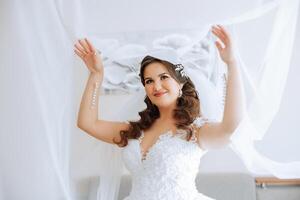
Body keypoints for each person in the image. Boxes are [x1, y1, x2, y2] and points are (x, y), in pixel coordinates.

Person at [75, 25, 244, 200]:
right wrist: (96, 74)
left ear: (180, 83)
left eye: (164, 77)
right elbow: (88, 123)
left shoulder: (195, 131)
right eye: (149, 81)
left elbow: (231, 127)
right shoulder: (135, 130)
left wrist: (232, 63)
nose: (156, 86)